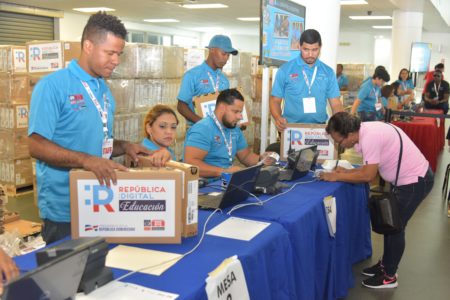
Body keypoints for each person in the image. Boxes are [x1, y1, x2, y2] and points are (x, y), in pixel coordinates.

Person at [28, 12, 171, 244]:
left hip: (101, 200)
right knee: (69, 278)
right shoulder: (53, 86)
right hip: (66, 209)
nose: (116, 60)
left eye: (119, 54)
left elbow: (98, 143)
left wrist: (125, 146)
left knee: (102, 274)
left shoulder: (103, 89)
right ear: (88, 46)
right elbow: (35, 145)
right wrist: (87, 160)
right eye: (110, 53)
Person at [319, 112, 434, 289]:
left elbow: (367, 175)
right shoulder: (366, 130)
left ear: (349, 134)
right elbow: (368, 168)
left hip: (414, 181)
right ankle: (385, 265)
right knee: (390, 225)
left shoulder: (369, 137)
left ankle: (389, 276)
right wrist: (345, 173)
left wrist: (336, 177)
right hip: (409, 180)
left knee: (395, 228)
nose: (339, 145)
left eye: (339, 141)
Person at [184, 89, 275, 178]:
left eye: (240, 112)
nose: (240, 116)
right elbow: (191, 164)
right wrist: (224, 172)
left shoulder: (234, 127)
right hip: (206, 185)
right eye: (236, 111)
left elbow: (246, 156)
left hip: (225, 181)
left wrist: (261, 159)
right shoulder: (203, 128)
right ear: (222, 108)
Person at [270, 29, 343, 132]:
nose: (310, 54)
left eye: (314, 50)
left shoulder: (328, 72)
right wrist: (278, 117)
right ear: (299, 47)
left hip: (319, 129)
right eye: (306, 49)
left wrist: (338, 124)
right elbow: (275, 100)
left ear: (320, 48)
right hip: (290, 127)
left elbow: (336, 104)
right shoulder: (285, 70)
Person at [177, 35, 238, 125]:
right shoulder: (192, 75)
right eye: (224, 54)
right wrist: (202, 123)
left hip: (219, 131)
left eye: (228, 55)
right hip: (198, 131)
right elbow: (181, 106)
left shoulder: (224, 80)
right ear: (212, 50)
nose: (226, 59)